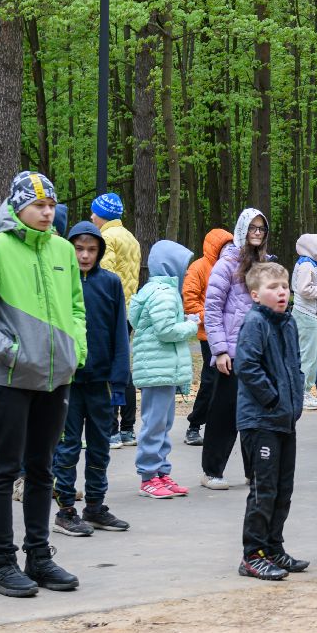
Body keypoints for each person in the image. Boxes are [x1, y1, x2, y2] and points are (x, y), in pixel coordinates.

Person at [0, 171, 86, 598]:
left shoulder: (63, 249)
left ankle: (39, 556)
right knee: (5, 469)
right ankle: (1, 562)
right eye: (38, 206)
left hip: (56, 378)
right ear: (17, 207)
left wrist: (76, 350)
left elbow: (76, 307)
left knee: (42, 470)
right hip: (10, 379)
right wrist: (8, 351)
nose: (47, 213)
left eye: (51, 206)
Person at [52, 221, 131, 537]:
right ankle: (66, 511)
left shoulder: (110, 283)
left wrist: (119, 380)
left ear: (100, 252)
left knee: (100, 446)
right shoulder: (59, 281)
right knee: (68, 446)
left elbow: (120, 333)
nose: (84, 255)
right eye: (79, 249)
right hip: (68, 381)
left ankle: (95, 507)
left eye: (91, 250)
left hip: (102, 382)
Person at [234, 262, 308, 580]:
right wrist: (273, 399)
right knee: (264, 489)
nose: (281, 292)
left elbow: (296, 366)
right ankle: (253, 554)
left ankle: (273, 547)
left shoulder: (288, 323)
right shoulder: (255, 323)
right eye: (273, 287)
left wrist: (295, 401)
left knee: (282, 488)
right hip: (261, 420)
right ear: (255, 295)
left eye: (285, 287)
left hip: (285, 419)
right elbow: (247, 366)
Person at [201, 207, 269, 489]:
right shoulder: (226, 265)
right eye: (252, 227)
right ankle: (212, 471)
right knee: (225, 414)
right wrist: (219, 351)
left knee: (256, 415)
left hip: (258, 353)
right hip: (231, 353)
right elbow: (212, 309)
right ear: (242, 229)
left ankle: (254, 471)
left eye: (261, 228)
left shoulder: (266, 266)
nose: (257, 233)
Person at [129, 239, 196, 499]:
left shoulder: (159, 290)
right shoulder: (164, 293)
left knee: (163, 423)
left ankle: (160, 472)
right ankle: (148, 477)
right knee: (155, 424)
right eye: (184, 266)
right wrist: (191, 325)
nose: (187, 272)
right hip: (157, 371)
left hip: (162, 370)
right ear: (171, 266)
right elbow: (166, 330)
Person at [91, 192, 141, 447]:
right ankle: (128, 429)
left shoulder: (106, 238)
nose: (92, 217)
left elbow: (105, 276)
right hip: (129, 309)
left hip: (111, 310)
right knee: (123, 366)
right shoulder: (130, 237)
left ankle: (111, 429)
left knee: (108, 367)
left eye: (95, 212)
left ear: (103, 215)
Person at [182, 228, 230, 446]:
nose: (228, 251)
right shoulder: (199, 267)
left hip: (230, 333)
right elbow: (190, 303)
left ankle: (220, 425)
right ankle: (194, 425)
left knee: (229, 381)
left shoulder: (232, 267)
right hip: (209, 333)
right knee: (211, 380)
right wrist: (213, 316)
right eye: (224, 247)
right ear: (215, 248)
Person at [292, 233, 317, 409]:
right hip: (306, 315)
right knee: (308, 355)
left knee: (315, 355)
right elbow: (304, 290)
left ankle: (305, 390)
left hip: (313, 315)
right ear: (312, 247)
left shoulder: (312, 264)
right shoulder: (306, 265)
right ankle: (301, 392)